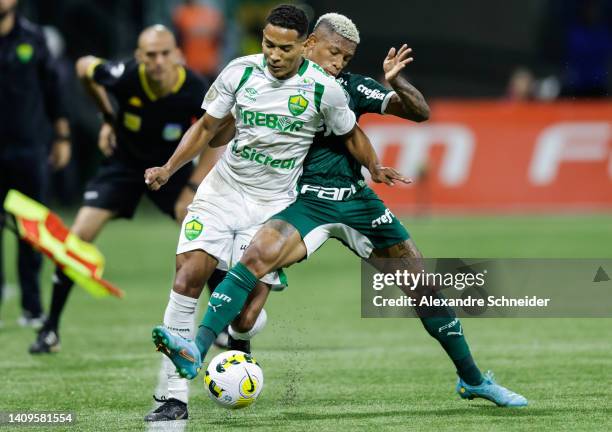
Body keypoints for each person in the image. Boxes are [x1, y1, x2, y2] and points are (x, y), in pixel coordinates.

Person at [157, 13, 528, 409]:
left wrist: (396, 84)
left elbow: (414, 115)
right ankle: (196, 349)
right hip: (303, 201)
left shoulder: (348, 89)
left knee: (423, 288)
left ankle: (473, 379)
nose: (338, 64)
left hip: (355, 201)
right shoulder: (267, 80)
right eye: (333, 53)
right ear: (310, 43)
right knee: (254, 259)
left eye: (346, 59)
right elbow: (227, 126)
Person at [143, 4, 403, 422]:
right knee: (188, 276)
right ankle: (174, 396)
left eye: (285, 48)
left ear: (304, 46)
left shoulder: (324, 88)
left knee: (245, 319)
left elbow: (351, 133)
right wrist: (169, 169)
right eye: (268, 44)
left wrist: (374, 167)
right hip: (222, 192)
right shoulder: (239, 72)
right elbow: (208, 129)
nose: (274, 55)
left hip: (273, 206)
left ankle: (240, 335)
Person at [28, 25, 219, 355]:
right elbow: (83, 66)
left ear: (177, 54)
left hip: (171, 170)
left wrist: (191, 186)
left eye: (165, 53)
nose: (158, 61)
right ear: (138, 57)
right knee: (77, 239)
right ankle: (50, 329)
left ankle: (223, 326)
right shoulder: (124, 75)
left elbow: (217, 139)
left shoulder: (194, 88)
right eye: (150, 55)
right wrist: (107, 116)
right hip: (124, 166)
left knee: (203, 238)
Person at [0, 0, 71, 328]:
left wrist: (61, 138)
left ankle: (31, 307)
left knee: (31, 231)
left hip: (28, 148)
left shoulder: (34, 38)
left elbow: (53, 89)